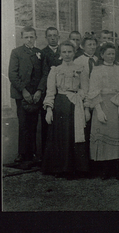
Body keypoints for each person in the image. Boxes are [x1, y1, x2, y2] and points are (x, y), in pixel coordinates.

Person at [42, 41, 90, 180]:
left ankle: (78, 168)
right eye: (64, 52)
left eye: (70, 52)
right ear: (60, 53)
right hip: (61, 105)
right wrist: (49, 110)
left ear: (74, 53)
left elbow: (85, 90)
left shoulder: (81, 69)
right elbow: (50, 91)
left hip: (77, 104)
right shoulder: (55, 70)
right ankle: (61, 168)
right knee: (61, 136)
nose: (67, 55)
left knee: (76, 134)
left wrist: (87, 108)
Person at [87, 42, 119, 180]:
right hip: (103, 104)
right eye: (108, 54)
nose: (111, 56)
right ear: (102, 55)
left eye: (113, 54)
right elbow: (93, 90)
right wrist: (99, 110)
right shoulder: (97, 69)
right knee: (105, 136)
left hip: (118, 104)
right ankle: (105, 169)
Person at [8, 26, 44, 164]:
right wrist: (23, 91)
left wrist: (39, 91)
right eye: (26, 37)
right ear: (22, 38)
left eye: (32, 37)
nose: (29, 39)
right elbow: (12, 74)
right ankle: (22, 154)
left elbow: (43, 74)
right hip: (22, 94)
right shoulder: (16, 52)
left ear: (35, 38)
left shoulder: (39, 53)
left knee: (33, 124)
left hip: (35, 95)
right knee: (23, 124)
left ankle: (33, 153)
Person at [40, 27, 62, 158]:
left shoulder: (64, 51)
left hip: (64, 93)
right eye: (50, 36)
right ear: (46, 37)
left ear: (58, 36)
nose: (53, 38)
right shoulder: (43, 53)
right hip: (49, 92)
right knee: (47, 125)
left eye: (55, 35)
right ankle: (47, 157)